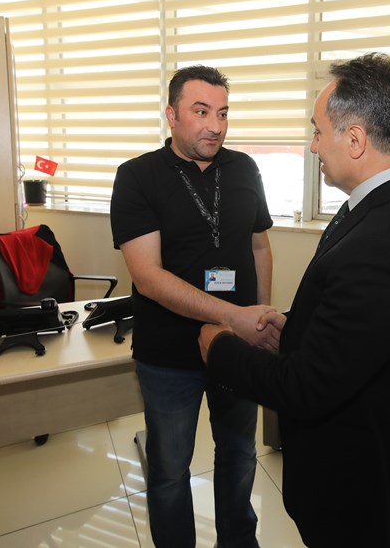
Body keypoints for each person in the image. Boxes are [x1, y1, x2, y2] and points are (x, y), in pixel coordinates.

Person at [199, 52, 390, 548]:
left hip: (360, 497)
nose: (313, 145)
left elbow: (306, 389)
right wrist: (295, 332)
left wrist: (220, 348)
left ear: (355, 139)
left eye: (319, 132)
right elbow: (361, 332)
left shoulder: (386, 239)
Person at [110, 64, 278, 548]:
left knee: (240, 455)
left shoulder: (244, 168)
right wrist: (233, 316)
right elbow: (147, 275)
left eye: (223, 113)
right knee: (169, 469)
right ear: (171, 115)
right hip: (169, 354)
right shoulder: (137, 176)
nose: (216, 126)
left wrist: (260, 316)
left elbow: (260, 247)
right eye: (201, 112)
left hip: (237, 345)